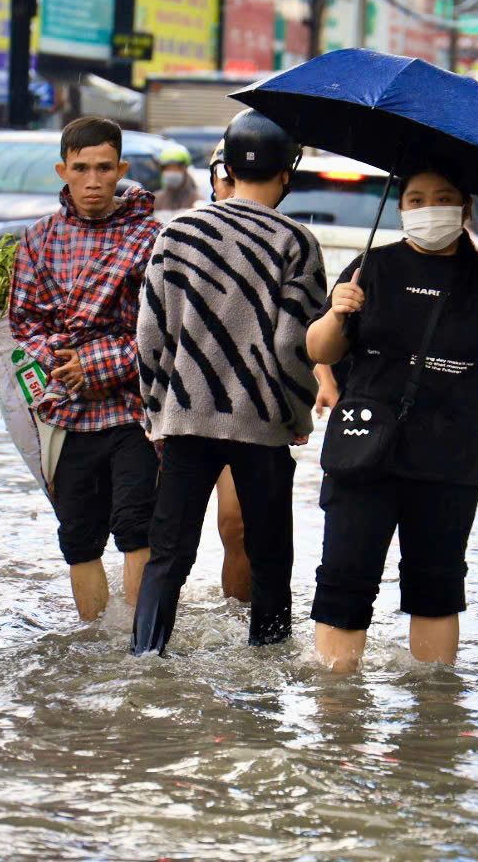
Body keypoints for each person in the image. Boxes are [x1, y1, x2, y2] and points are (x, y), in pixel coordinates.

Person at [306, 165, 478, 673]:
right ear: (400, 208)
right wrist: (336, 313)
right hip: (363, 454)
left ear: (465, 208)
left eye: (443, 198)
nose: (429, 209)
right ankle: (335, 707)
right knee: (344, 581)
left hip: (450, 460)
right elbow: (318, 350)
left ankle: (434, 708)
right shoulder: (370, 268)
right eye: (416, 199)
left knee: (437, 589)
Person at [132, 109, 327, 654]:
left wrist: (155, 410)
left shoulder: (178, 234)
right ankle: (266, 679)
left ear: (228, 169)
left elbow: (149, 335)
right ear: (287, 173)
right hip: (261, 423)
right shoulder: (296, 242)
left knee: (168, 556)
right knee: (270, 560)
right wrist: (296, 416)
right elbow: (294, 346)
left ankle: (144, 658)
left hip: (186, 417)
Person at [8, 116, 161, 621]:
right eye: (81, 169)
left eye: (103, 168)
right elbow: (24, 322)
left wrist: (95, 365)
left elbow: (162, 330)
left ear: (121, 169)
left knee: (137, 527)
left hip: (132, 411)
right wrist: (65, 367)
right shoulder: (37, 240)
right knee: (78, 538)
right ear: (63, 171)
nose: (93, 181)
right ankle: (95, 642)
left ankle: (140, 644)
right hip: (67, 413)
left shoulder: (152, 239)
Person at [153, 142, 201, 214]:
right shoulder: (156, 200)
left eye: (176, 168)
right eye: (168, 168)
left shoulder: (197, 200)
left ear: (185, 169)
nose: (171, 172)